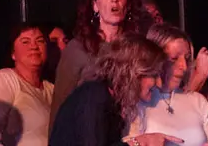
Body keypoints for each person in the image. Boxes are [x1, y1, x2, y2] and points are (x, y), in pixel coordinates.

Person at [49, 34, 178, 146]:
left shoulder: (110, 100)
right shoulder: (93, 96)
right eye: (154, 75)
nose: (159, 84)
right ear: (134, 72)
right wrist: (139, 143)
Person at [50, 0, 139, 119]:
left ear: (127, 3)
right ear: (95, 6)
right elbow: (61, 104)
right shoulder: (77, 48)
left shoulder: (136, 47)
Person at [129, 24, 208, 146]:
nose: (184, 66)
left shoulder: (198, 101)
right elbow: (127, 142)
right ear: (155, 58)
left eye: (186, 59)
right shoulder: (140, 101)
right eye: (174, 58)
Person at [0, 23, 55, 146]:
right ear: (13, 53)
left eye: (40, 41)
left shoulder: (52, 89)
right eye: (25, 42)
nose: (34, 46)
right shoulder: (5, 79)